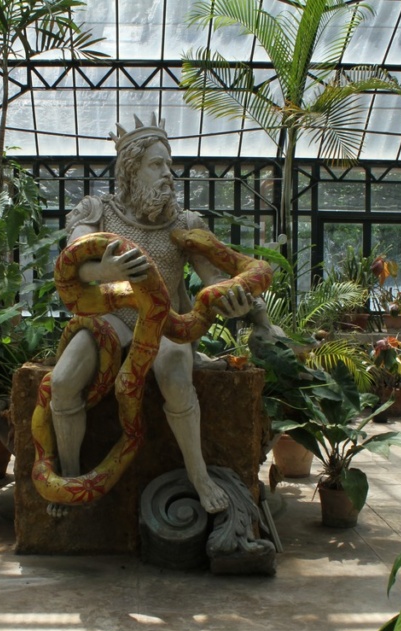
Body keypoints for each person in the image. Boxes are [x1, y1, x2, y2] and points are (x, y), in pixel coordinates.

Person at [47, 114, 277, 517]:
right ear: (131, 170)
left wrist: (238, 305)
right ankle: (71, 476)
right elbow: (73, 263)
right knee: (63, 381)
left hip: (166, 321)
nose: (168, 175)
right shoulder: (96, 210)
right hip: (110, 318)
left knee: (173, 370)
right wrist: (105, 271)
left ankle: (199, 474)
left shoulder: (186, 224)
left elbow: (213, 280)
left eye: (169, 166)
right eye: (157, 165)